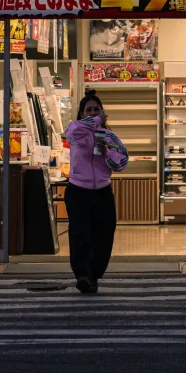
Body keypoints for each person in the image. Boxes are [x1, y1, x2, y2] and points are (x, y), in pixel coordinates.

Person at [63, 91, 129, 293]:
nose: (92, 113)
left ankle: (94, 274)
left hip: (102, 191)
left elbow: (122, 162)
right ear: (82, 113)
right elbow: (72, 133)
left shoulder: (109, 136)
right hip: (78, 191)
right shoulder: (76, 131)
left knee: (104, 234)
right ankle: (82, 275)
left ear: (102, 111)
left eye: (96, 110)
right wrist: (96, 121)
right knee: (80, 233)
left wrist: (107, 151)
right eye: (88, 110)